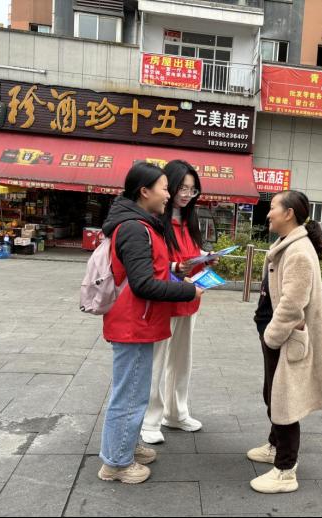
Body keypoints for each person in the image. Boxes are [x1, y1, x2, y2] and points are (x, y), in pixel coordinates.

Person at [97, 162, 204, 485]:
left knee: (136, 391)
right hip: (133, 322)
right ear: (144, 192)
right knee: (129, 395)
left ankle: (127, 446)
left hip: (142, 321)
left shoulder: (142, 224)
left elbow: (151, 268)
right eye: (165, 188)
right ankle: (116, 463)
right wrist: (187, 290)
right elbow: (143, 283)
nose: (169, 195)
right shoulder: (134, 227)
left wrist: (175, 268)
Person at [248, 190, 322, 494]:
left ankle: (286, 470)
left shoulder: (298, 251)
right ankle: (275, 445)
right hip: (277, 334)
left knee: (284, 401)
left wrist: (272, 337)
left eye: (273, 207)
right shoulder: (287, 243)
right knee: (272, 394)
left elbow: (292, 304)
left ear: (289, 214)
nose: (268, 213)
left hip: (284, 338)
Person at [141, 160, 217, 444]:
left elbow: (189, 257)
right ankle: (149, 420)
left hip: (189, 299)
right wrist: (176, 266)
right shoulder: (155, 220)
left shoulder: (189, 221)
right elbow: (151, 263)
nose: (186, 194)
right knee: (156, 362)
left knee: (181, 360)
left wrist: (205, 259)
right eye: (182, 188)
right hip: (164, 301)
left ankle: (176, 412)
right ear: (169, 186)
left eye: (192, 189)